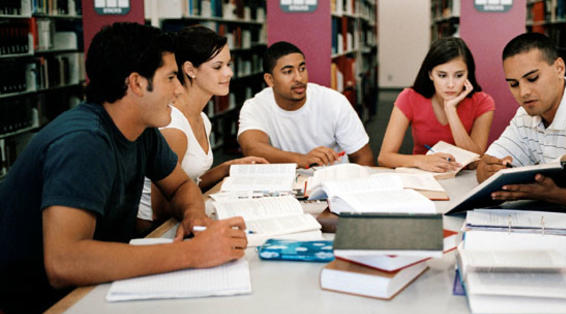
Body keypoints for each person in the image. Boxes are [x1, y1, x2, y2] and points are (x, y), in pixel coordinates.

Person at [0, 23, 247, 314]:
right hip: (39, 301)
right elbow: (64, 262)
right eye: (171, 77)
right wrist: (192, 253)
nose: (179, 89)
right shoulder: (84, 142)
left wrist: (193, 216)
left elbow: (181, 186)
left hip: (94, 287)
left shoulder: (142, 130)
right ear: (136, 83)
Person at [136, 25, 267, 233]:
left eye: (228, 64)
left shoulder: (203, 118)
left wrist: (228, 167)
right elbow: (159, 208)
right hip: (155, 230)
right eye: (218, 67)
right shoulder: (173, 128)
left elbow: (188, 182)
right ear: (190, 70)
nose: (229, 73)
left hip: (179, 217)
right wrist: (208, 207)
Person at [476, 32, 566, 215]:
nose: (524, 92)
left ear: (559, 68)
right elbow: (486, 164)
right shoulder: (525, 115)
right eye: (513, 84)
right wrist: (487, 171)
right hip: (553, 220)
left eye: (532, 78)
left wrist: (554, 195)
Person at [236, 41, 374, 168]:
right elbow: (252, 148)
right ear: (270, 79)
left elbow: (362, 156)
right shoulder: (255, 106)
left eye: (302, 69)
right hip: (284, 186)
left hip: (331, 184)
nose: (299, 78)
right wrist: (302, 159)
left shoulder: (334, 101)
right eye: (288, 72)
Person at [377, 37, 495, 172]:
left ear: (468, 74)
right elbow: (384, 158)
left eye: (458, 75)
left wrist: (451, 111)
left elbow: (475, 161)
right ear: (431, 74)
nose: (450, 84)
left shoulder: (483, 102)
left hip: (463, 177)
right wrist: (422, 161)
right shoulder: (409, 98)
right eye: (442, 75)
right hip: (422, 173)